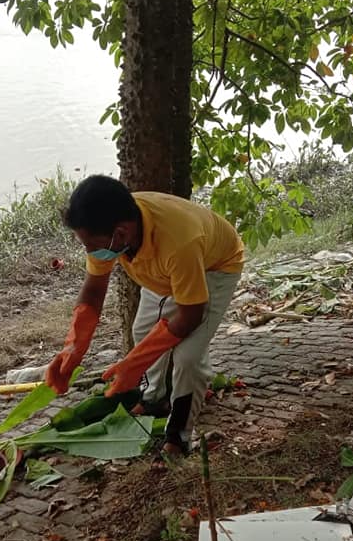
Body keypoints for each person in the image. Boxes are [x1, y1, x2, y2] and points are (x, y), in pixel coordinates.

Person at [45, 175, 245, 466]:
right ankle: (154, 400)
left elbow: (190, 315)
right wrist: (73, 350)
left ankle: (179, 437)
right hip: (165, 270)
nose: (90, 253)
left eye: (92, 246)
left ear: (121, 233)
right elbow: (94, 291)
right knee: (142, 330)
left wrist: (133, 365)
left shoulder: (179, 242)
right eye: (85, 245)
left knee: (188, 357)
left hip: (214, 266)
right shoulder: (110, 230)